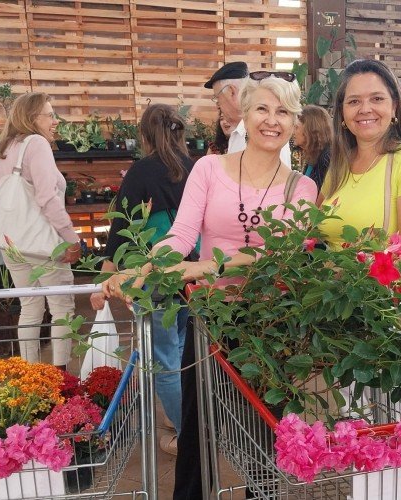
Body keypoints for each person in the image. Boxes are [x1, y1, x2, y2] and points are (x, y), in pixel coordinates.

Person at [103, 73, 317, 500]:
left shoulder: (303, 188)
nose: (271, 120)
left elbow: (280, 255)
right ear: (245, 114)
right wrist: (142, 269)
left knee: (260, 431)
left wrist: (201, 267)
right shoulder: (209, 168)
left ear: (295, 124)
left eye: (283, 112)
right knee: (196, 426)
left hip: (268, 324)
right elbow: (180, 235)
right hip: (210, 318)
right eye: (262, 108)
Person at [89, 104, 194, 455]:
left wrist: (109, 272)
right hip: (193, 270)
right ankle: (182, 416)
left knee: (162, 354)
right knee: (180, 347)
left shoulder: (140, 171)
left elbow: (120, 227)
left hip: (153, 272)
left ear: (146, 135)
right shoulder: (196, 168)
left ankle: (186, 433)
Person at [0, 92, 81, 369]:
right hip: (43, 241)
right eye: (50, 115)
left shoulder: (3, 149)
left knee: (31, 306)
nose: (55, 121)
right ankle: (60, 379)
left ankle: (33, 380)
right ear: (32, 118)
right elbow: (47, 199)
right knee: (61, 307)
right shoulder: (36, 144)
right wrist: (71, 240)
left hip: (12, 243)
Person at [320, 58, 401, 267]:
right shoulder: (339, 164)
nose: (365, 109)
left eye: (376, 99)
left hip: (379, 296)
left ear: (394, 107)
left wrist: (343, 273)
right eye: (354, 101)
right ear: (342, 112)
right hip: (332, 295)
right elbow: (311, 226)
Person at [205, 61, 291, 165]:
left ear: (232, 92)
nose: (217, 105)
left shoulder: (264, 130)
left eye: (217, 98)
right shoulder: (239, 130)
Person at [294, 104, 332, 190]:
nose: (293, 132)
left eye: (296, 127)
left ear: (309, 130)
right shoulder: (312, 156)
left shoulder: (327, 157)